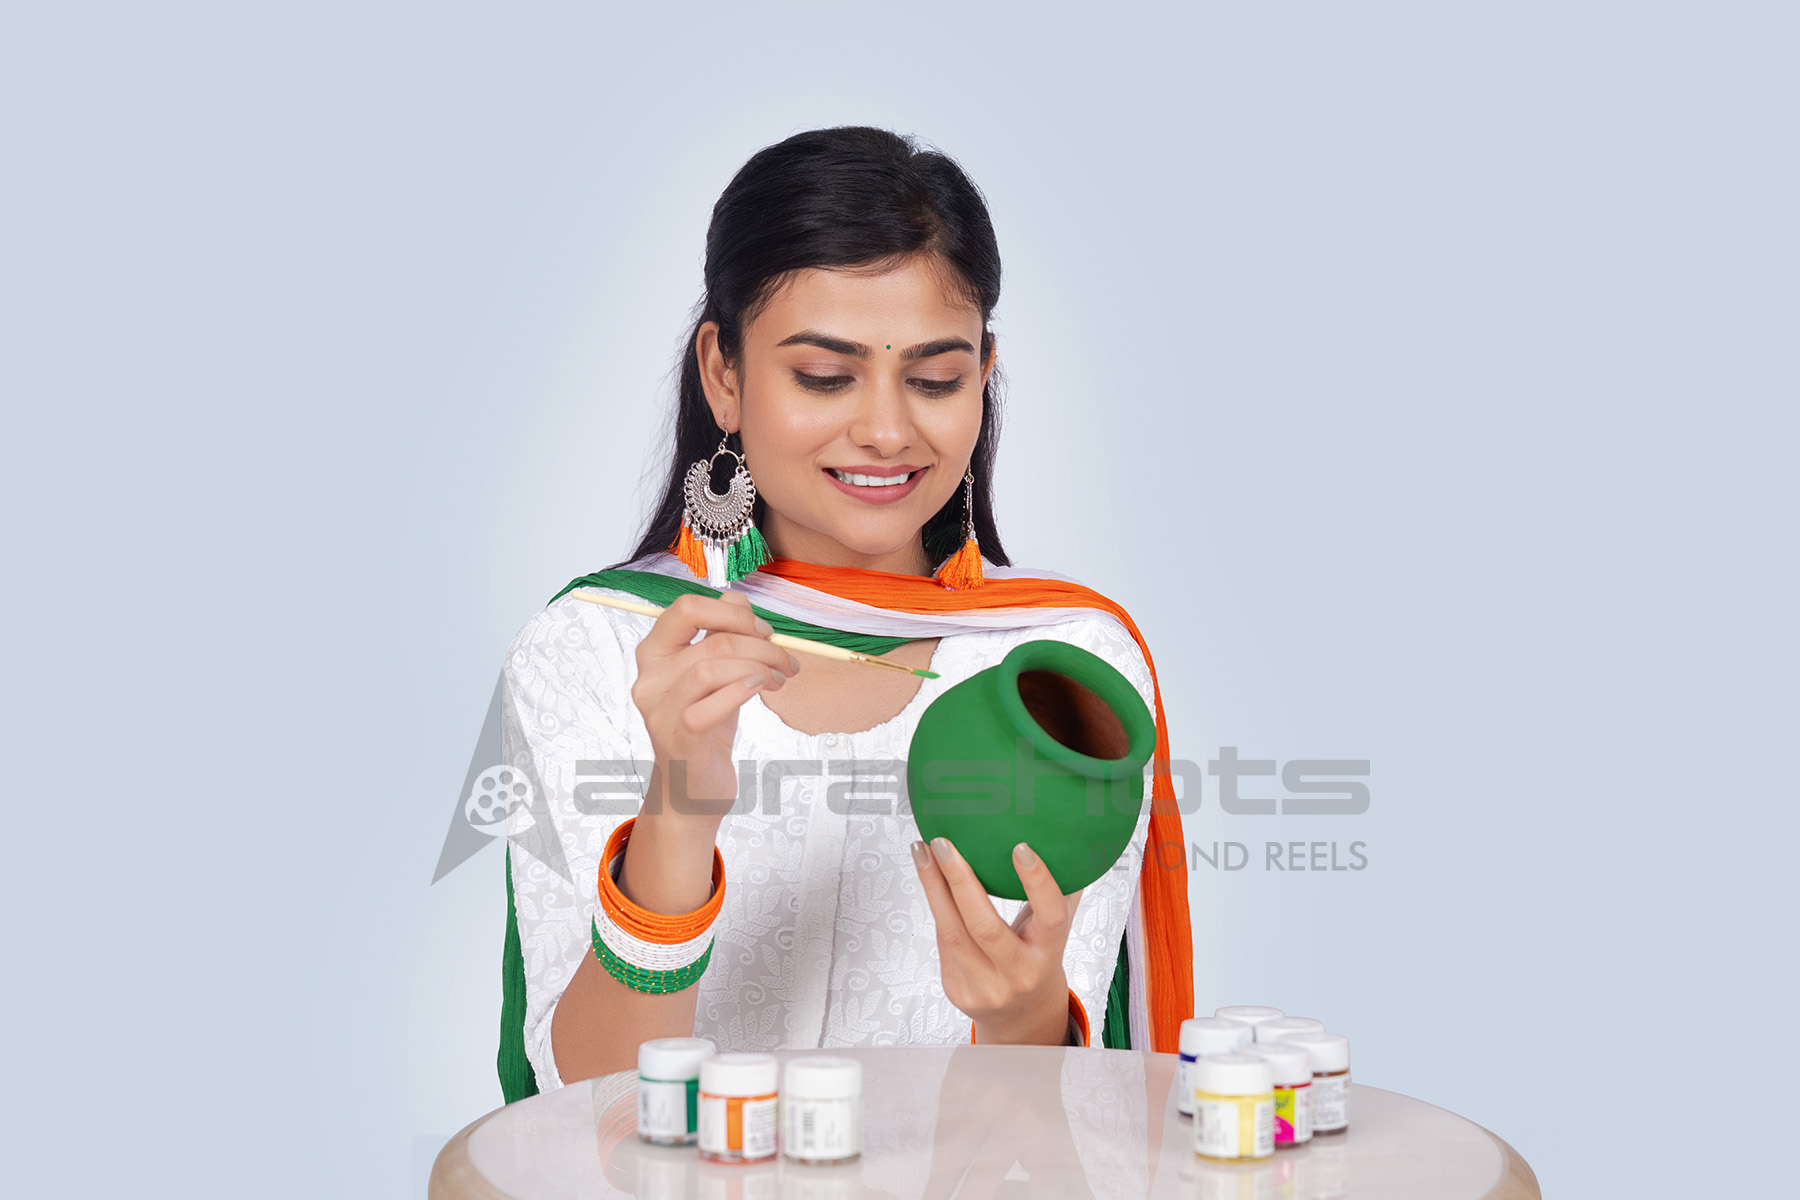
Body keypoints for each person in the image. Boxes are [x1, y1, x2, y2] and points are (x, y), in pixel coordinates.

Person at [497, 126, 1192, 1100]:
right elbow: (587, 1097)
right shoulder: (600, 647)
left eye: (936, 378)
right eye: (824, 375)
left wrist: (1021, 1018)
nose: (885, 429)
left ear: (982, 379)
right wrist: (676, 809)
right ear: (724, 374)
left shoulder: (1063, 666)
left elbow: (1058, 1132)